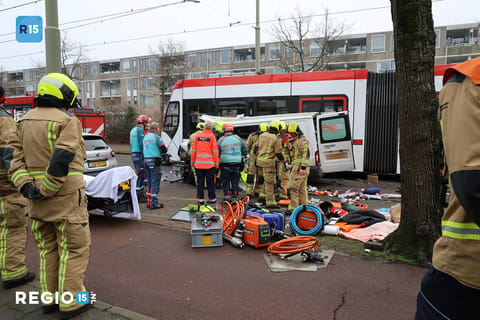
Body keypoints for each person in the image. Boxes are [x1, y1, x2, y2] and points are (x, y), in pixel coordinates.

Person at [8, 73, 92, 318]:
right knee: (74, 249)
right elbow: (62, 159)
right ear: (64, 94)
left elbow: (12, 161)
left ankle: (49, 299)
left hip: (35, 201)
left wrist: (27, 188)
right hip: (65, 199)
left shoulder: (22, 122)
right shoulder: (67, 121)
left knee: (48, 250)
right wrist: (46, 189)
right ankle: (72, 302)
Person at [415, 58, 480, 319]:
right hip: (466, 270)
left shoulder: (470, 80)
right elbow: (473, 184)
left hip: (464, 278)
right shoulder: (471, 79)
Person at [0, 85, 36, 289]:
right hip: (6, 188)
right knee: (13, 228)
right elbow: (10, 155)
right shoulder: (4, 121)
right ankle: (14, 272)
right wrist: (22, 180)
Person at [256, 120, 284, 208]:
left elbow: (255, 148)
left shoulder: (262, 135)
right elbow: (278, 153)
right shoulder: (276, 139)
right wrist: (284, 162)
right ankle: (270, 202)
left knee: (266, 180)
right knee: (270, 182)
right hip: (268, 163)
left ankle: (262, 197)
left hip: (259, 161)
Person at [190, 121, 219, 205]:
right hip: (210, 165)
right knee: (210, 183)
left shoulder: (198, 136)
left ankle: (200, 200)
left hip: (198, 165)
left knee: (200, 184)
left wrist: (192, 163)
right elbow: (215, 152)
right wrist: (217, 165)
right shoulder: (212, 137)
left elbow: (193, 151)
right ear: (211, 128)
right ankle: (212, 199)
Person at [217, 123, 248, 200]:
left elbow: (217, 151)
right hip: (237, 163)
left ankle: (227, 196)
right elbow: (245, 149)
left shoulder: (221, 140)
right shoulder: (238, 139)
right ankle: (235, 196)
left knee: (226, 180)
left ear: (224, 130)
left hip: (225, 163)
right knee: (235, 180)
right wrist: (242, 156)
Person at [286, 121, 310, 214]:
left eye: (293, 133)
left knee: (292, 188)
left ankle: (293, 208)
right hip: (297, 166)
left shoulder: (302, 141)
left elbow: (305, 153)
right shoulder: (294, 141)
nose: (291, 135)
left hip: (299, 167)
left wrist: (303, 167)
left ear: (297, 132)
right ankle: (303, 207)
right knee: (301, 189)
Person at [143, 122, 168, 209]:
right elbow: (164, 149)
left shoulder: (146, 136)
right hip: (154, 161)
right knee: (155, 181)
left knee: (149, 181)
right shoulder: (156, 137)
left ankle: (149, 201)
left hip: (146, 160)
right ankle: (154, 203)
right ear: (157, 129)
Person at [130, 114, 149, 202]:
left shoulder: (133, 130)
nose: (147, 124)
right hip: (139, 155)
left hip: (134, 154)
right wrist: (145, 155)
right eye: (147, 123)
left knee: (139, 174)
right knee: (140, 176)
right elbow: (142, 144)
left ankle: (138, 194)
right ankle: (138, 196)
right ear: (144, 123)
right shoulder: (140, 130)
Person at [245, 122, 268, 198]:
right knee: (251, 175)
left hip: (261, 158)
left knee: (260, 176)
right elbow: (247, 146)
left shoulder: (267, 137)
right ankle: (249, 192)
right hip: (254, 158)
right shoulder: (253, 136)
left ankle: (258, 191)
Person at [277, 120, 290, 200]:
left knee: (284, 178)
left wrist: (287, 162)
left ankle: (284, 194)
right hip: (281, 161)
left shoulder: (288, 139)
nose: (280, 132)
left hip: (285, 161)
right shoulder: (282, 138)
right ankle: (283, 193)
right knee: (282, 178)